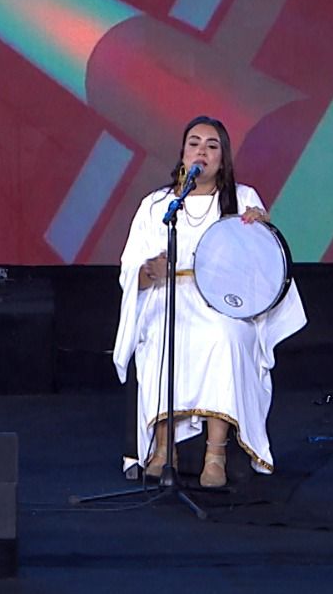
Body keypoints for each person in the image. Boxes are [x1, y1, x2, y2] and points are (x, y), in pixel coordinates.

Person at [112, 116, 306, 487]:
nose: (202, 151)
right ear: (183, 154)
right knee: (162, 332)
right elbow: (130, 271)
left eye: (212, 145)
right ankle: (163, 448)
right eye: (194, 143)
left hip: (223, 302)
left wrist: (261, 231)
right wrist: (150, 271)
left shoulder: (242, 199)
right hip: (168, 295)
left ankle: (215, 454)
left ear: (222, 158)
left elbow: (264, 265)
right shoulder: (157, 206)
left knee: (224, 335)